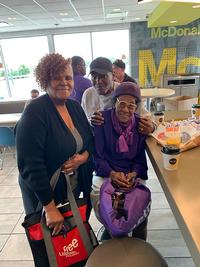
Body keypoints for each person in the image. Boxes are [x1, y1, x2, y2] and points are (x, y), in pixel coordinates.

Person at [15, 53, 94, 267]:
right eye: (58, 77)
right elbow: (30, 166)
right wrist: (49, 208)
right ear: (45, 79)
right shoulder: (35, 112)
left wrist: (82, 158)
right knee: (51, 247)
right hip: (43, 193)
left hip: (70, 188)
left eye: (68, 77)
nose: (64, 82)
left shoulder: (74, 107)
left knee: (69, 243)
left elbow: (89, 142)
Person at [91, 82, 148, 240]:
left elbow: (139, 158)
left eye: (131, 105)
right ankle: (112, 231)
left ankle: (138, 239)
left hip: (130, 172)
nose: (125, 109)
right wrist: (112, 173)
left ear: (136, 107)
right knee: (101, 199)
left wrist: (134, 174)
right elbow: (98, 156)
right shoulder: (102, 120)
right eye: (121, 103)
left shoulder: (140, 125)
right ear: (114, 101)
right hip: (107, 171)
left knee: (140, 200)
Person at [81, 57, 154, 135]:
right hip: (98, 143)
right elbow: (82, 124)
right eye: (94, 77)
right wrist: (91, 123)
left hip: (125, 142)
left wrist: (152, 127)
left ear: (113, 75)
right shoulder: (88, 95)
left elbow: (148, 119)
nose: (98, 81)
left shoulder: (125, 91)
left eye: (103, 76)